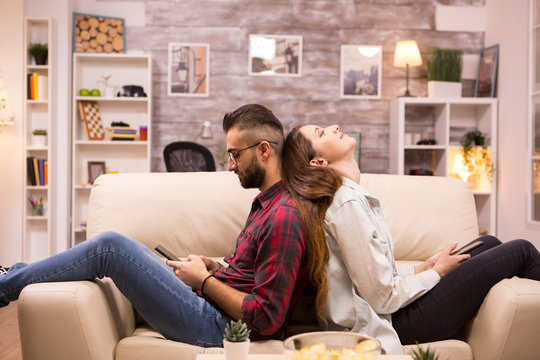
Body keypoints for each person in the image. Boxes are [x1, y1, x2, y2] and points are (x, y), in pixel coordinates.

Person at [0, 104, 312, 347]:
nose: (230, 165)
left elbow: (266, 317)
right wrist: (212, 267)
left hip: (223, 329)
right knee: (128, 245)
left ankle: (6, 283)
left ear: (264, 150)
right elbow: (249, 277)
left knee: (111, 248)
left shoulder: (284, 215)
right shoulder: (266, 204)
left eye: (235, 155)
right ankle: (13, 274)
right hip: (213, 309)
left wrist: (203, 281)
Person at [281, 124, 540, 354]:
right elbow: (382, 298)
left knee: (491, 242)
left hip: (390, 310)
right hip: (393, 322)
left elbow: (373, 279)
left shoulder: (349, 197)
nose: (334, 126)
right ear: (318, 163)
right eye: (321, 132)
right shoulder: (345, 203)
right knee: (522, 251)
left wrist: (422, 268)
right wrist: (436, 272)